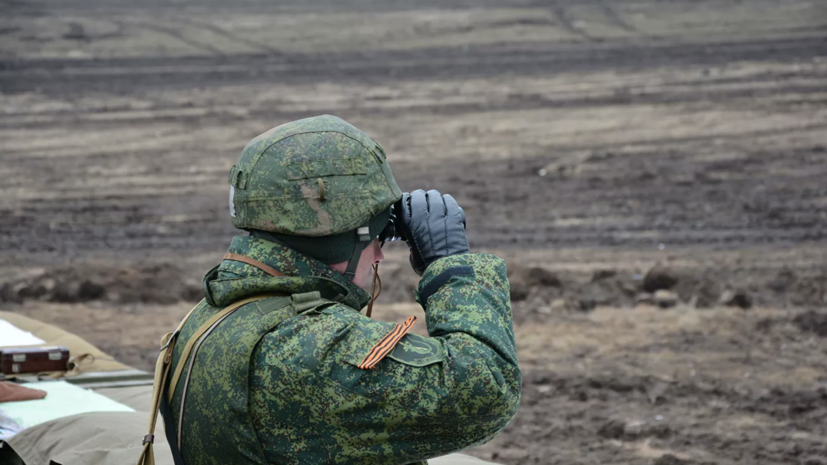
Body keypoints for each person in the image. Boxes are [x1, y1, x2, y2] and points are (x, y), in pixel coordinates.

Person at [141, 115, 521, 465]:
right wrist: (449, 267)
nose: (378, 255)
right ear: (336, 240)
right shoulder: (307, 349)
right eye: (373, 237)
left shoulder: (213, 316)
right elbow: (487, 388)